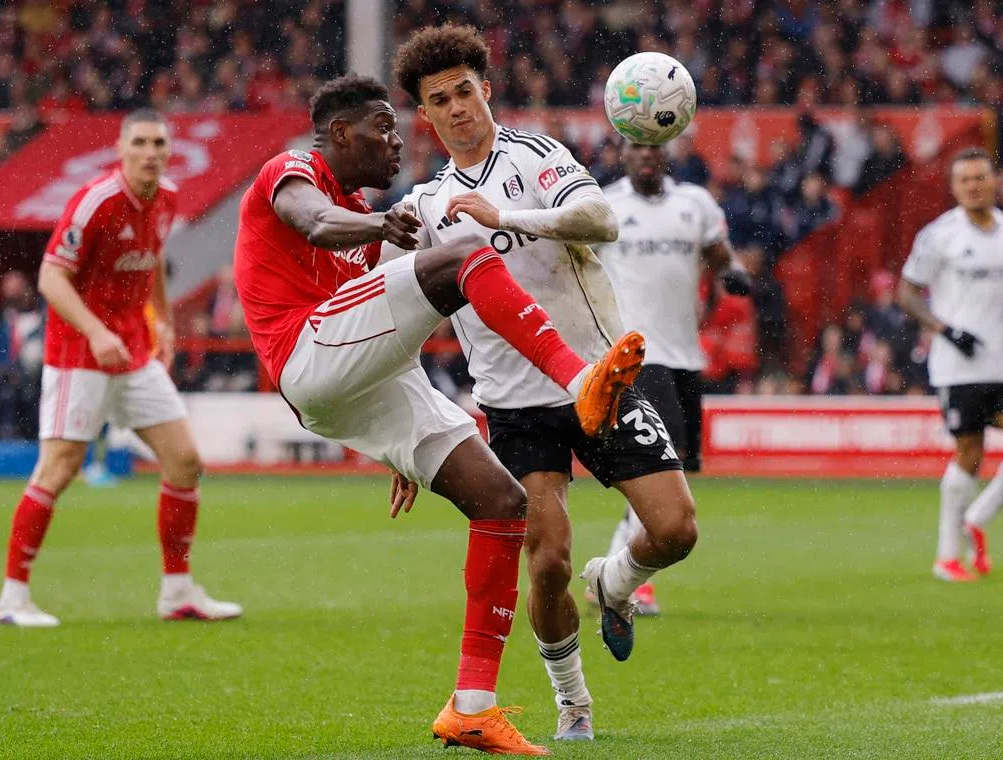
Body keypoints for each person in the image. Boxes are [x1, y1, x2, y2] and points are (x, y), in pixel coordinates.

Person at [232, 73, 644, 757]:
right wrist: (376, 225)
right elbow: (312, 221)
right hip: (302, 352)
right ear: (340, 134)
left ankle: (472, 707)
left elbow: (383, 325)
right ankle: (581, 380)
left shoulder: (366, 225)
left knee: (501, 502)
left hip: (355, 381)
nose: (399, 139)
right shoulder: (296, 172)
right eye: (383, 127)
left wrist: (404, 441)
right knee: (460, 255)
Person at [389, 25, 698, 741]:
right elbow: (399, 323)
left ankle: (613, 583)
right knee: (547, 558)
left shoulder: (535, 156)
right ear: (426, 117)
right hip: (513, 406)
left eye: (466, 90)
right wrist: (399, 441)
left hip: (596, 378)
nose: (458, 107)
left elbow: (599, 219)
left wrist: (505, 217)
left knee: (677, 531)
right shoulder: (423, 208)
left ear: (486, 90)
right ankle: (574, 703)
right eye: (441, 100)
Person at [0, 109, 241, 627]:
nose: (150, 153)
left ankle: (177, 592)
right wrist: (97, 331)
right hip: (79, 353)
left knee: (184, 460)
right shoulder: (96, 203)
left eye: (158, 143)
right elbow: (50, 279)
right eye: (140, 143)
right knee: (59, 468)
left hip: (133, 352)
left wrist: (165, 324)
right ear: (121, 150)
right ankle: (12, 598)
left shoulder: (167, 197)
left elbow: (150, 263)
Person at [592, 139, 751, 613]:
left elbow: (721, 256)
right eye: (635, 147)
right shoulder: (605, 206)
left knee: (676, 466)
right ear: (622, 154)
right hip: (635, 356)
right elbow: (575, 266)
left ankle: (612, 574)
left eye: (653, 148)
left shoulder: (695, 204)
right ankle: (629, 581)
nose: (646, 155)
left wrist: (734, 272)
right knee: (660, 465)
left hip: (685, 356)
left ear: (668, 155)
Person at [897, 147, 1003, 583]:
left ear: (994, 181)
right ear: (954, 187)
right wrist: (945, 330)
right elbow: (906, 292)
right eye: (965, 180)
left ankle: (977, 517)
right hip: (958, 366)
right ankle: (947, 556)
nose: (974, 186)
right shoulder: (939, 235)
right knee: (970, 455)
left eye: (980, 178)